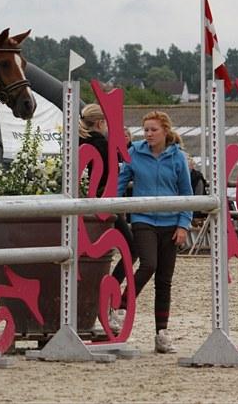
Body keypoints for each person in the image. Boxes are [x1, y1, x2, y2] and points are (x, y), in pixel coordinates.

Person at [115, 111, 193, 353]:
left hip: (171, 222)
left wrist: (183, 224)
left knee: (164, 281)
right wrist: (110, 207)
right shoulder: (134, 153)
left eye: (153, 130)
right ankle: (120, 306)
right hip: (143, 218)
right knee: (148, 264)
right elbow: (120, 184)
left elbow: (186, 193)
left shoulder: (178, 158)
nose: (148, 134)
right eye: (145, 129)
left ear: (165, 132)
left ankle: (161, 334)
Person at [77, 104, 135, 333]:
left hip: (85, 206)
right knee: (131, 249)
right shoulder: (101, 143)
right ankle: (107, 295)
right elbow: (120, 163)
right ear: (100, 123)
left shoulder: (79, 141)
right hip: (102, 204)